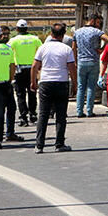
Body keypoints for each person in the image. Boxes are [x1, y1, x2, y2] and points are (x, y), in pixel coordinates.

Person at [31, 23, 77, 154]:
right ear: (63, 36)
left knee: (43, 114)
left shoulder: (43, 47)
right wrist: (74, 84)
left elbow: (34, 66)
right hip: (61, 82)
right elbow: (72, 67)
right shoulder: (66, 49)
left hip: (45, 82)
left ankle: (39, 145)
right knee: (61, 115)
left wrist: (33, 82)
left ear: (51, 34)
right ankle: (59, 144)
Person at [73, 13, 108, 118]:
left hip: (81, 62)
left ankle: (79, 111)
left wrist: (75, 61)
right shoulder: (96, 32)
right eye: (98, 22)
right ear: (93, 21)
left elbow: (73, 48)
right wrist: (102, 49)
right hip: (93, 61)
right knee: (91, 87)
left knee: (81, 87)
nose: (98, 25)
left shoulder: (77, 32)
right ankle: (89, 111)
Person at [8, 20, 43, 129]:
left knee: (20, 94)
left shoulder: (13, 40)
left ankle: (23, 116)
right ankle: (33, 114)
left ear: (17, 29)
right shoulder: (35, 39)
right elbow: (41, 51)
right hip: (32, 69)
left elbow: (7, 51)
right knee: (32, 91)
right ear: (27, 28)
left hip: (19, 70)